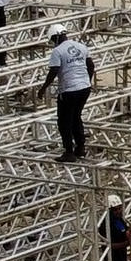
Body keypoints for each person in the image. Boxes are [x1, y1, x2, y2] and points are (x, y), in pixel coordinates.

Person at [44, 25, 97, 162]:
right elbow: (91, 65)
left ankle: (69, 152)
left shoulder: (57, 51)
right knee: (76, 117)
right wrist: (87, 80)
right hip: (84, 88)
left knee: (64, 121)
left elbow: (54, 71)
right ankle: (80, 147)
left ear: (55, 37)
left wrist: (43, 88)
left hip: (69, 90)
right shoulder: (81, 46)